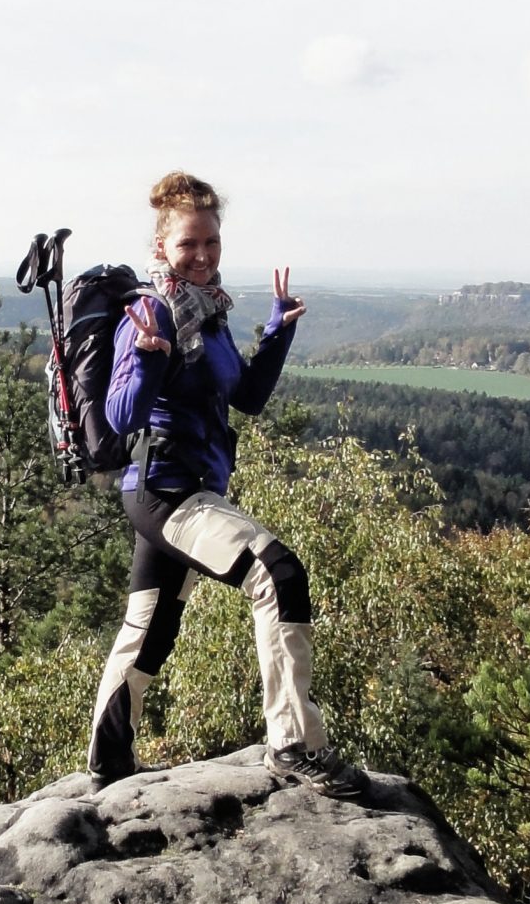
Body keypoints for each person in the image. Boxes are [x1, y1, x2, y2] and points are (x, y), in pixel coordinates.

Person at [87, 170, 368, 799]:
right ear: (162, 247)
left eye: (211, 242)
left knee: (151, 626)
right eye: (189, 245)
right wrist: (154, 356)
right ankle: (295, 746)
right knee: (278, 573)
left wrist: (278, 331)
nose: (203, 255)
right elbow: (122, 416)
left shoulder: (209, 314)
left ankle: (107, 764)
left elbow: (246, 396)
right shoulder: (152, 311)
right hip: (166, 489)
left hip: (184, 488)